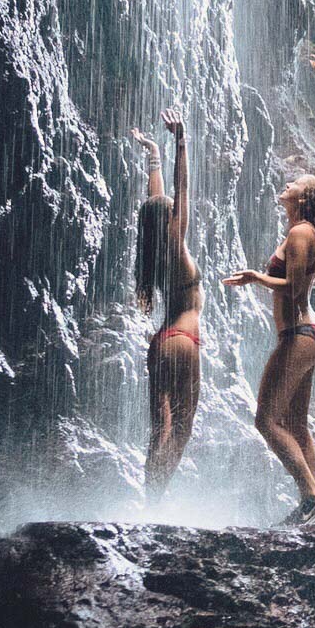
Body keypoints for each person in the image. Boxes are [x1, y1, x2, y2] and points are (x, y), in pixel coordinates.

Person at [225, 175, 315, 525]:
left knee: (266, 420)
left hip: (299, 334)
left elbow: (297, 290)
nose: (288, 183)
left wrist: (256, 277)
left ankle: (311, 497)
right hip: (307, 335)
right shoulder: (302, 230)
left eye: (297, 182)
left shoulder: (300, 232)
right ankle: (313, 504)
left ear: (305, 199)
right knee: (296, 423)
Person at [132, 108, 201, 496]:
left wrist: (153, 155)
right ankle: (157, 495)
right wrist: (180, 142)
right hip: (185, 342)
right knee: (182, 429)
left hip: (161, 342)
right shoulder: (177, 243)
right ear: (171, 218)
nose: (176, 204)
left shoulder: (155, 246)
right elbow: (183, 187)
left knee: (161, 427)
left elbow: (155, 200)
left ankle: (150, 499)